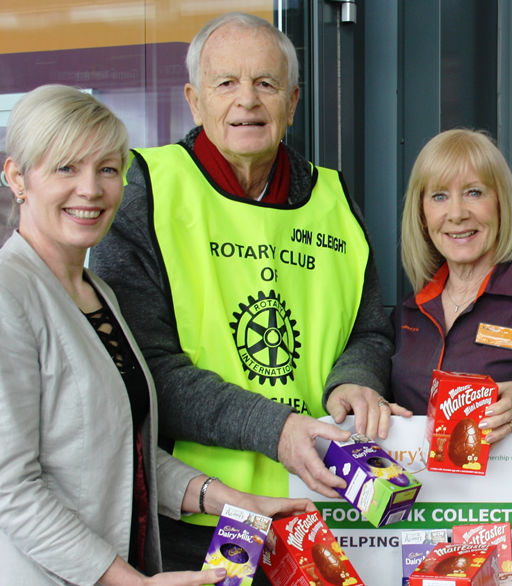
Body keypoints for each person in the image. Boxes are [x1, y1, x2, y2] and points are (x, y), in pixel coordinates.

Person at [89, 12, 407, 575]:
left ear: (293, 100)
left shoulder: (333, 198)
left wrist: (356, 377)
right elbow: (143, 366)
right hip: (198, 515)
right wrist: (276, 430)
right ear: (193, 98)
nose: (247, 101)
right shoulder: (145, 191)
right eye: (226, 83)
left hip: (322, 513)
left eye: (266, 83)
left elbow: (368, 329)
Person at [0, 84, 316, 585]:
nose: (91, 189)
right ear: (17, 177)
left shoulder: (96, 290)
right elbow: (10, 491)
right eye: (66, 168)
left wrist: (226, 499)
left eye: (107, 169)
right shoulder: (8, 294)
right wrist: (132, 583)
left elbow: (127, 454)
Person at [390, 129, 512, 443]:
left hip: (510, 492)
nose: (456, 214)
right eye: (439, 196)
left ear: (501, 203)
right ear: (422, 214)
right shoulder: (409, 312)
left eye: (474, 192)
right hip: (416, 491)